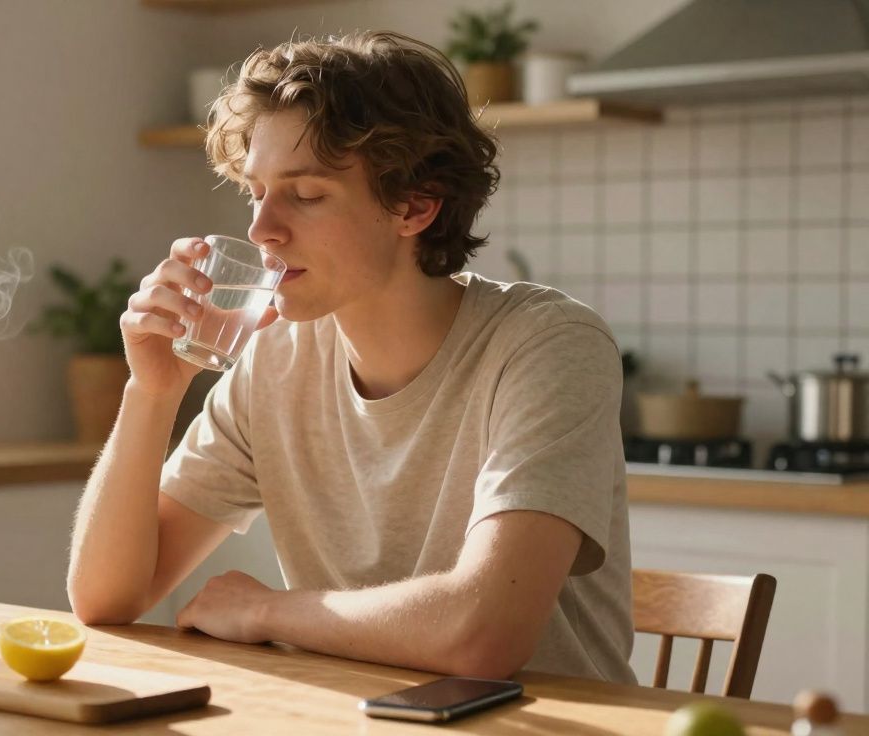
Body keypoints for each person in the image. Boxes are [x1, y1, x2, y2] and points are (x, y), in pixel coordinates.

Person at [67, 30, 636, 684]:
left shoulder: (547, 345)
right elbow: (106, 598)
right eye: (256, 191)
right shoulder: (274, 359)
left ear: (415, 206)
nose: (261, 230)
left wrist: (268, 614)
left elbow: (484, 637)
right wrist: (153, 391)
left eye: (305, 195)